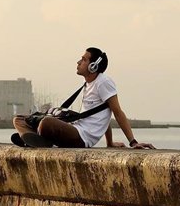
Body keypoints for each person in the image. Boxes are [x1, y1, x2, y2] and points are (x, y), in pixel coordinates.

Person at [12, 48, 155, 149]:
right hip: (76, 127)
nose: (79, 62)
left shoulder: (103, 82)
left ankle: (37, 139)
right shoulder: (88, 84)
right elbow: (101, 115)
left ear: (93, 66)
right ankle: (35, 140)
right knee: (19, 118)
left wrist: (133, 142)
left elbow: (116, 112)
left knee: (46, 123)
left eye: (84, 59)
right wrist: (109, 143)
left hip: (82, 137)